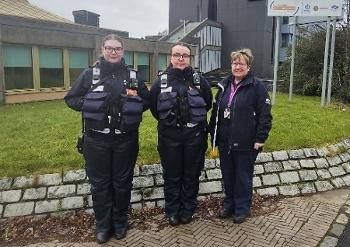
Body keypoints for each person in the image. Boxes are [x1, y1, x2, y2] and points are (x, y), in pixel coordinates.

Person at [65, 34, 149, 243]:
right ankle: (103, 224)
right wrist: (91, 105)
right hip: (96, 140)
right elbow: (71, 99)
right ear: (102, 50)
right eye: (109, 48)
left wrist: (133, 106)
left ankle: (120, 222)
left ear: (123, 51)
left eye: (117, 48)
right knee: (100, 184)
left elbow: (147, 101)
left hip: (125, 139)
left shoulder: (133, 77)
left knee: (123, 183)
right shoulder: (89, 75)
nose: (113, 52)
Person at [149, 42, 212, 226]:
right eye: (177, 55)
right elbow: (154, 108)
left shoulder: (199, 80)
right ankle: (172, 211)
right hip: (170, 136)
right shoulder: (161, 81)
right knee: (172, 175)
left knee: (191, 174)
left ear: (190, 58)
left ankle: (188, 209)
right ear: (171, 57)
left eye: (185, 55)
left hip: (194, 135)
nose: (181, 58)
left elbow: (207, 103)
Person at [209, 48, 272, 224]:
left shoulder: (257, 86)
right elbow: (216, 113)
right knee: (228, 175)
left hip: (246, 141)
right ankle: (229, 204)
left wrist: (260, 139)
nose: (237, 66)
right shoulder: (224, 85)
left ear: (248, 67)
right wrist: (212, 136)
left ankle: (242, 208)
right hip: (224, 140)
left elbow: (265, 115)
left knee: (243, 177)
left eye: (241, 64)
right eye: (235, 63)